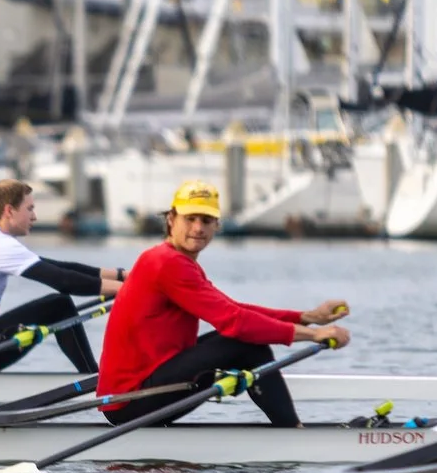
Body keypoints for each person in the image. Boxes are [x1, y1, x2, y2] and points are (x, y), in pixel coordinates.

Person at [96, 180, 349, 427]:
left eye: (206, 221)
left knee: (245, 341)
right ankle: (294, 433)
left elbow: (234, 309)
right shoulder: (167, 263)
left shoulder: (175, 260)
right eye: (190, 219)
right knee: (247, 345)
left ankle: (291, 431)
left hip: (138, 393)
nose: (198, 228)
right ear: (171, 220)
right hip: (131, 401)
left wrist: (308, 317)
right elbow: (235, 321)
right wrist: (314, 335)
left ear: (216, 225)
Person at [0, 179, 126, 374]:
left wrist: (122, 276)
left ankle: (91, 376)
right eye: (30, 209)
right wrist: (128, 290)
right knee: (59, 305)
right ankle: (92, 377)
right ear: (9, 211)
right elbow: (63, 281)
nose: (34, 217)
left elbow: (60, 267)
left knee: (57, 306)